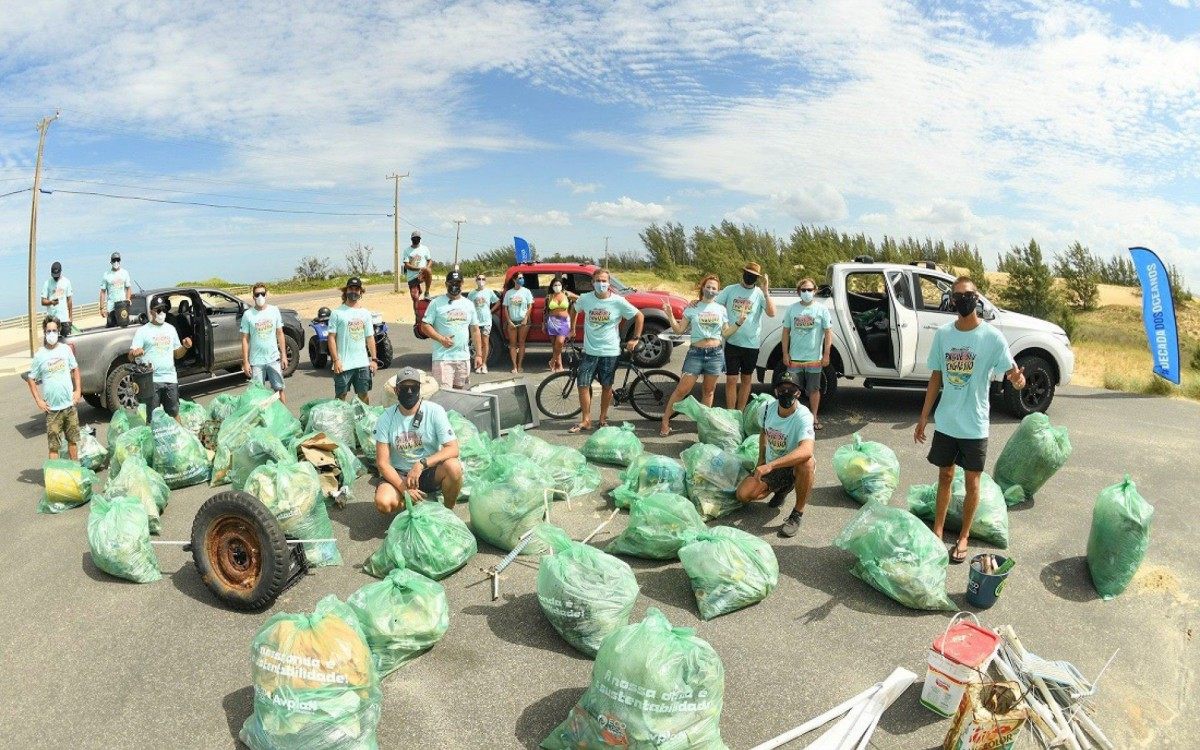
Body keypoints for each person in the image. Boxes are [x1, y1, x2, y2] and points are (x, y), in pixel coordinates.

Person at [914, 276, 1026, 564]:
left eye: (969, 294)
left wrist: (1018, 380)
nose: (963, 299)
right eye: (958, 295)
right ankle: (937, 531)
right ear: (952, 300)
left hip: (975, 424)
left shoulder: (991, 337)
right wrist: (924, 417)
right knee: (945, 476)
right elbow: (936, 377)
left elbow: (1013, 373)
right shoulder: (943, 335)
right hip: (948, 421)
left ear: (977, 298)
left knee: (973, 482)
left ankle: (963, 536)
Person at [659, 274, 746, 436]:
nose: (711, 290)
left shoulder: (721, 309)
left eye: (714, 288)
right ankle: (665, 420)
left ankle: (703, 426)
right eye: (708, 287)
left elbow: (726, 333)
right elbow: (679, 330)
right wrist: (670, 315)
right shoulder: (692, 307)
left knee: (709, 392)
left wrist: (739, 322)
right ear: (702, 288)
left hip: (715, 354)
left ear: (718, 291)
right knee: (682, 390)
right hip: (695, 353)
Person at [736, 370, 816, 538]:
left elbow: (807, 450)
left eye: (791, 389)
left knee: (807, 463)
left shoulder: (803, 415)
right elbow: (764, 432)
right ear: (776, 391)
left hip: (793, 464)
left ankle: (797, 514)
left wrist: (770, 466)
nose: (786, 393)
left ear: (799, 392)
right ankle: (782, 487)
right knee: (743, 494)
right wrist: (761, 460)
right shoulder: (765, 409)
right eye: (782, 389)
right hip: (773, 464)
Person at [373, 367, 464, 512]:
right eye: (404, 387)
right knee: (383, 503)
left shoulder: (435, 411)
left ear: (419, 389)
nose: (409, 392)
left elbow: (453, 448)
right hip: (400, 474)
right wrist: (403, 489)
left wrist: (421, 464)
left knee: (454, 467)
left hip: (427, 471)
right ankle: (412, 502)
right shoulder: (386, 418)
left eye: (413, 387)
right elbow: (382, 463)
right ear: (397, 391)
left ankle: (447, 510)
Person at [570, 268, 643, 433]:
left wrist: (635, 338)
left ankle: (602, 418)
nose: (601, 284)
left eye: (604, 281)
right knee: (582, 384)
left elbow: (639, 316)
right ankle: (586, 420)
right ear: (592, 283)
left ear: (609, 283)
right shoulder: (585, 299)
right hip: (589, 350)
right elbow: (574, 309)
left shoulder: (618, 301)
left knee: (606, 385)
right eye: (598, 280)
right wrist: (572, 328)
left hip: (610, 351)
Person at [715, 261, 776, 410]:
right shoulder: (730, 290)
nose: (750, 277)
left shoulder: (760, 294)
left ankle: (740, 412)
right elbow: (714, 305)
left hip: (751, 344)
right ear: (743, 273)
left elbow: (772, 313)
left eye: (754, 276)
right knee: (731, 379)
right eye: (748, 274)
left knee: (747, 379)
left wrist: (766, 292)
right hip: (732, 342)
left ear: (757, 278)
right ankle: (731, 413)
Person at [129, 298, 192, 423]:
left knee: (174, 413)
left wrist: (185, 347)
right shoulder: (143, 331)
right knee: (152, 418)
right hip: (152, 382)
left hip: (170, 379)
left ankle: (180, 438)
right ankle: (152, 441)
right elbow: (130, 356)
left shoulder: (171, 329)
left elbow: (177, 354)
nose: (161, 313)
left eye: (164, 309)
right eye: (158, 310)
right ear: (151, 312)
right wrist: (134, 353)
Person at [781, 277, 833, 430]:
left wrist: (826, 354)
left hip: (814, 359)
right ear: (798, 292)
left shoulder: (822, 309)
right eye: (803, 290)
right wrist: (785, 353)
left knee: (814, 390)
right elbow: (785, 332)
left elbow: (828, 333)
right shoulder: (791, 309)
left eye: (809, 290)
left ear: (815, 291)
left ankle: (814, 417)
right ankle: (793, 418)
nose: (806, 292)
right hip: (794, 359)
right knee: (792, 390)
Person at [26, 316, 81, 460]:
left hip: (69, 406)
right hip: (52, 410)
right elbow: (31, 378)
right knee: (53, 447)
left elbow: (75, 369)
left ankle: (75, 472)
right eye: (48, 331)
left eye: (54, 330)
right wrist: (39, 401)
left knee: (72, 442)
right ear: (44, 332)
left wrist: (78, 391)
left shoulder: (65, 350)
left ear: (58, 331)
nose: (51, 333)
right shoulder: (40, 355)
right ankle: (55, 478)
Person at [421, 270, 483, 389]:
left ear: (462, 284)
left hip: (463, 358)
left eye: (458, 283)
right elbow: (425, 326)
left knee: (459, 394)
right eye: (451, 283)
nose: (454, 285)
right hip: (443, 359)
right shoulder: (436, 303)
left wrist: (479, 355)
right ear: (446, 284)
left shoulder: (469, 304)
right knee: (444, 394)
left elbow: (475, 330)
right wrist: (441, 339)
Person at [327, 276, 378, 403]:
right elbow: (331, 338)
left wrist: (374, 360)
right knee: (341, 397)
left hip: (362, 364)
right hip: (343, 365)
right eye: (351, 288)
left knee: (363, 396)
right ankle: (340, 421)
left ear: (361, 292)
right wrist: (336, 361)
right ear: (346, 291)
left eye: (357, 289)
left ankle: (365, 420)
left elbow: (370, 338)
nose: (353, 291)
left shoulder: (365, 313)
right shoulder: (337, 313)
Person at [240, 282, 289, 404]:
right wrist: (245, 362)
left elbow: (280, 333)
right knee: (258, 394)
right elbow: (245, 339)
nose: (260, 297)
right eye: (257, 294)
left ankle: (285, 418)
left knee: (279, 389)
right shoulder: (248, 315)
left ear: (266, 294)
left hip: (273, 358)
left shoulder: (274, 310)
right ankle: (263, 420)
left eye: (262, 293)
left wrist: (283, 355)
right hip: (256, 361)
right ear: (253, 297)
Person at [544, 274, 577, 372]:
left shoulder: (567, 294)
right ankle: (559, 366)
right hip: (552, 322)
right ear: (552, 286)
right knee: (555, 346)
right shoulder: (549, 296)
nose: (557, 287)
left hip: (564, 322)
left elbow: (580, 299)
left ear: (562, 286)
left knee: (560, 342)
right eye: (555, 285)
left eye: (558, 285)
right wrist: (543, 323)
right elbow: (545, 311)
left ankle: (553, 360)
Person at [468, 273, 499, 373]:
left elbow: (498, 301)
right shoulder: (472, 293)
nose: (481, 280)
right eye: (479, 279)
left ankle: (484, 364)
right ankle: (478, 364)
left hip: (486, 321)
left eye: (483, 279)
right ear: (476, 280)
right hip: (475, 322)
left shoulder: (489, 292)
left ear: (485, 280)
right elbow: (467, 306)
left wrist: (491, 310)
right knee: (477, 343)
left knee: (485, 343)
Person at [503, 272, 534, 373]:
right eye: (520, 278)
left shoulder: (527, 291)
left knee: (521, 343)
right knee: (512, 344)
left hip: (523, 321)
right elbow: (505, 308)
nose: (522, 279)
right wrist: (509, 321)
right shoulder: (509, 293)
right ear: (514, 280)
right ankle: (514, 366)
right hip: (512, 321)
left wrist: (526, 318)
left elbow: (530, 306)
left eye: (522, 278)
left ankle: (520, 365)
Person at [41, 262, 74, 337]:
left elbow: (69, 300)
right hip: (51, 320)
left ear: (60, 271)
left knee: (67, 342)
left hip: (64, 319)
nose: (55, 277)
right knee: (51, 343)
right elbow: (43, 301)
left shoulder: (67, 282)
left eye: (57, 276)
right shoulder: (47, 283)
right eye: (54, 276)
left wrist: (70, 317)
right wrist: (51, 302)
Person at [100, 252, 132, 328]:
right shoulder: (106, 275)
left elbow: (128, 288)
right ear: (111, 262)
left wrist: (128, 299)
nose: (116, 262)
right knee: (111, 328)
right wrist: (101, 308)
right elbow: (103, 292)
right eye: (114, 260)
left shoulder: (125, 273)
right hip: (111, 307)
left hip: (122, 306)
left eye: (117, 260)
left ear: (120, 261)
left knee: (123, 327)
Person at [402, 231, 431, 316]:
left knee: (428, 271)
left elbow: (430, 260)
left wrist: (426, 268)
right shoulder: (407, 250)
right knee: (415, 297)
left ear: (420, 239)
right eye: (414, 238)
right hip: (412, 276)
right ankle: (417, 316)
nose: (416, 240)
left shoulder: (425, 249)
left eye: (418, 238)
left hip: (423, 273)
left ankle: (427, 292)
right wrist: (419, 269)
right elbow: (407, 265)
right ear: (411, 239)